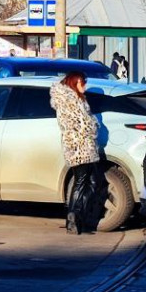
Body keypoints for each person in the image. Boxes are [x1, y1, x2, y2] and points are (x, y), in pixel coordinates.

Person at [50, 71, 105, 235]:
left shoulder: (72, 99)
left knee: (89, 183)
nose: (85, 86)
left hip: (81, 148)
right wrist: (95, 124)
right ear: (75, 83)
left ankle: (80, 219)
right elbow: (85, 125)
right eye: (82, 83)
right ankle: (73, 220)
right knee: (82, 183)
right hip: (79, 148)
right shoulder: (71, 101)